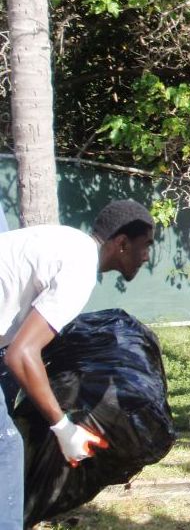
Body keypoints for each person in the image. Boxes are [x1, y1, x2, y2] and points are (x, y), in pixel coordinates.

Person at [0, 199, 155, 529]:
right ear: (122, 243)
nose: (147, 256)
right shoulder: (80, 269)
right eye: (145, 246)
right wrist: (63, 427)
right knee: (5, 447)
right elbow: (21, 354)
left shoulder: (69, 244)